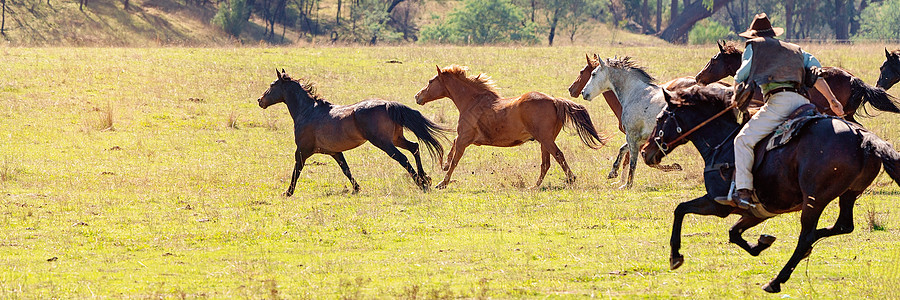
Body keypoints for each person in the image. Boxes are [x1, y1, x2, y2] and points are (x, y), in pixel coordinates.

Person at [718, 13, 844, 209]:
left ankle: (743, 191)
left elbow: (741, 74)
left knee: (742, 140)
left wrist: (736, 94)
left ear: (753, 35)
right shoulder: (796, 50)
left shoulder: (754, 47)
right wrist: (832, 100)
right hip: (803, 103)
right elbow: (816, 73)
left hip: (779, 103)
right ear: (773, 33)